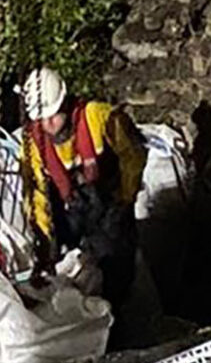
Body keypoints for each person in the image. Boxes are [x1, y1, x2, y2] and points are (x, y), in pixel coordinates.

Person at [18, 66, 147, 305]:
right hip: (72, 208)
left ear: (65, 103)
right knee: (68, 272)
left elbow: (133, 155)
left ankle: (117, 320)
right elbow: (35, 192)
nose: (49, 124)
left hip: (110, 202)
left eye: (53, 115)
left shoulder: (98, 117)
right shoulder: (35, 142)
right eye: (42, 119)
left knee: (115, 271)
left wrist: (125, 199)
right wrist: (45, 241)